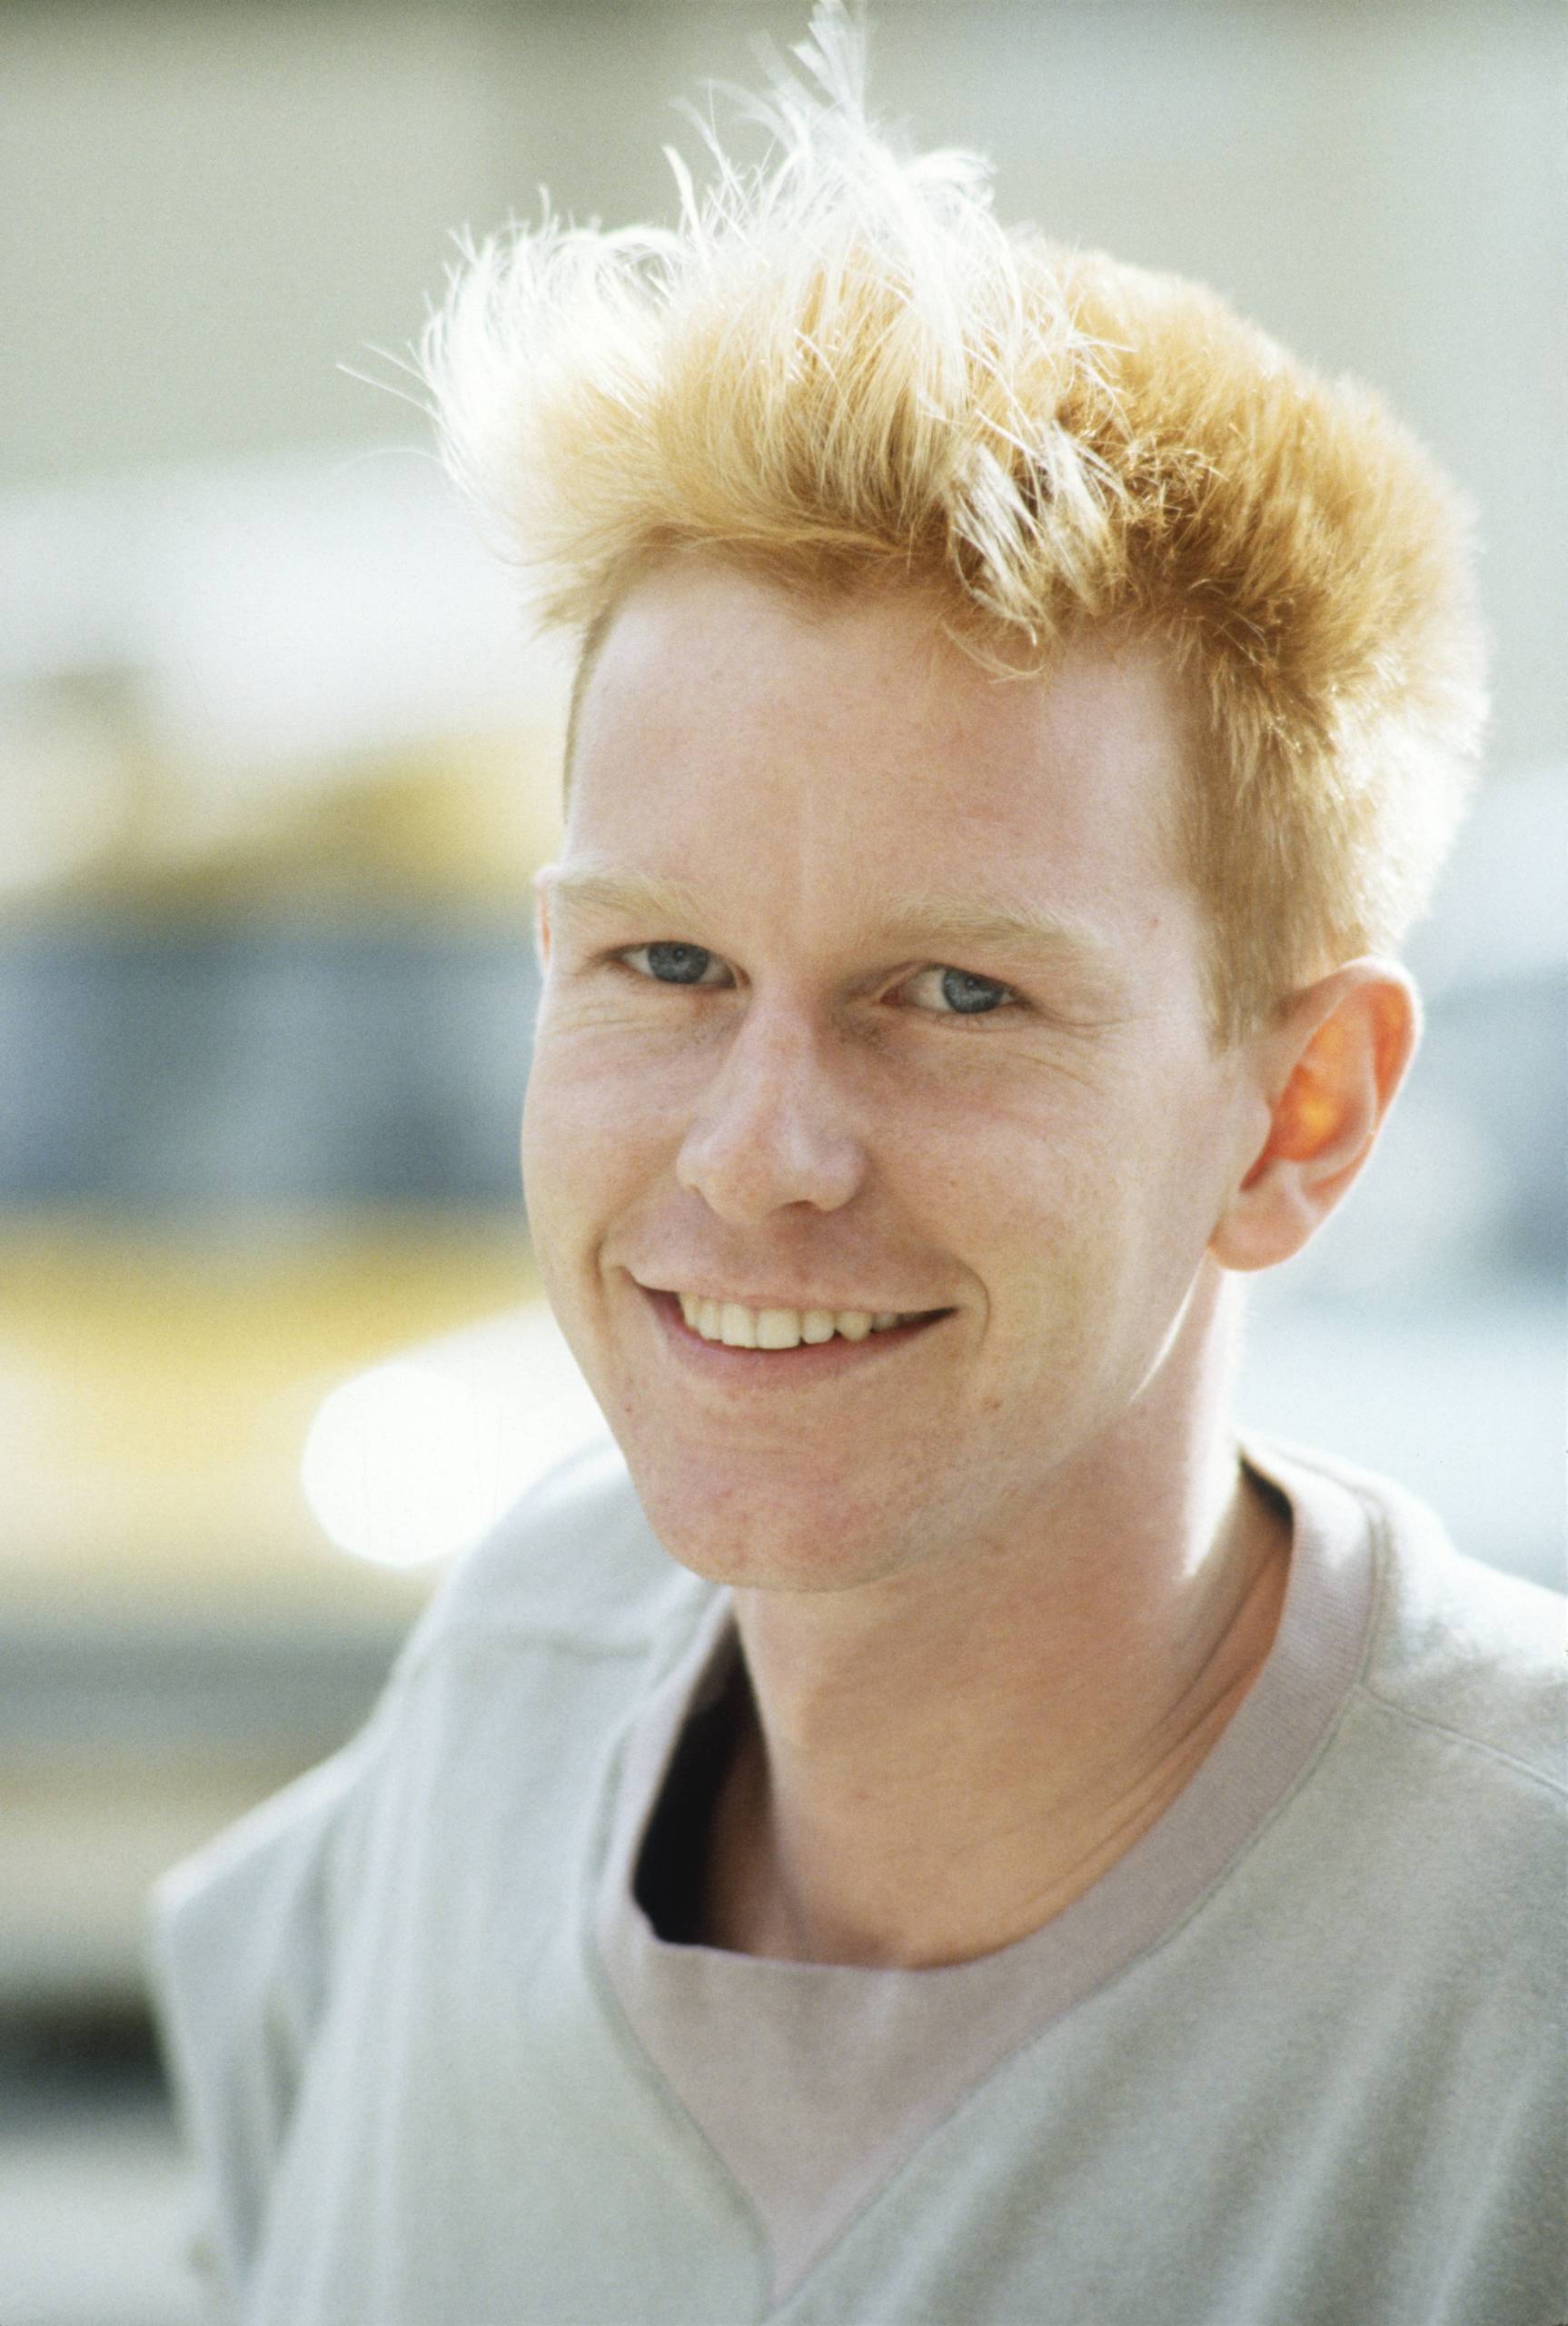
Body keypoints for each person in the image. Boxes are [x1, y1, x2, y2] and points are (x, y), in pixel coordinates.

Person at [146, 9, 1564, 2321]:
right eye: (666, 959)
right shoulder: (506, 1687)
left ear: (1296, 1115)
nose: (760, 1151)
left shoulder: (1516, 1957)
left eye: (956, 995)